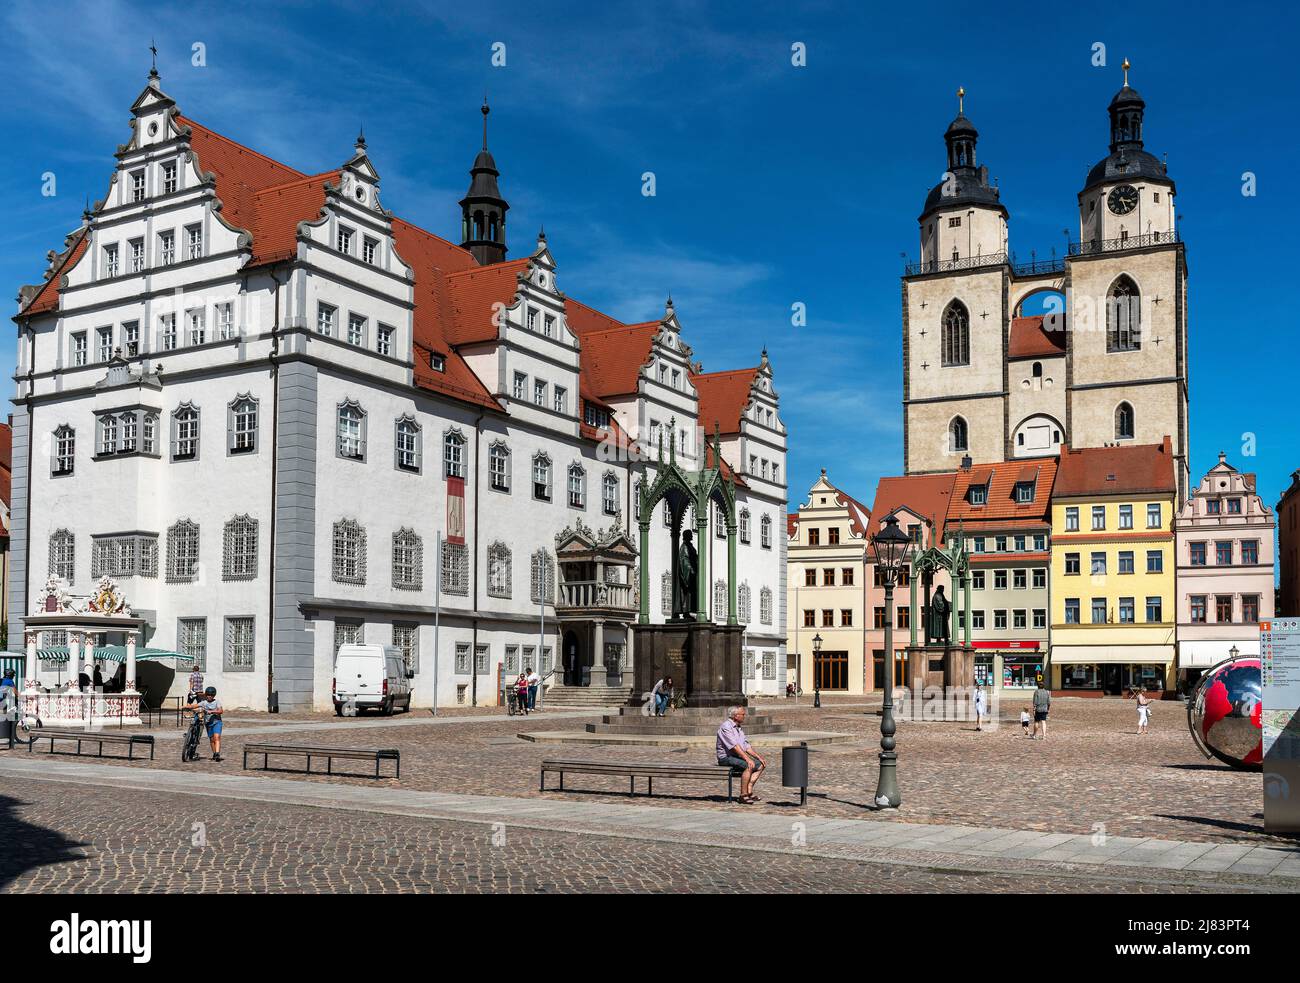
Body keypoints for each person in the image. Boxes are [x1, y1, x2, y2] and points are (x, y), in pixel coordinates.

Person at [716, 706, 765, 804]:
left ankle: (749, 790)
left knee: (760, 765)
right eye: (742, 714)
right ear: (735, 716)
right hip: (725, 758)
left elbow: (746, 746)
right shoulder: (726, 727)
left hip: (735, 756)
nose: (744, 716)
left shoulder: (738, 728)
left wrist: (758, 757)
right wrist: (747, 759)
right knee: (748, 765)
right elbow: (734, 747)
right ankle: (743, 795)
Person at [183, 685, 224, 762]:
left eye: (211, 695)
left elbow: (221, 711)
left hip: (217, 722)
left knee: (217, 737)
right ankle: (214, 753)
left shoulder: (217, 702)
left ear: (214, 695)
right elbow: (195, 705)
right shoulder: (204, 702)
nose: (209, 696)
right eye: (208, 695)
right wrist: (186, 707)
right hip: (208, 723)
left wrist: (212, 711)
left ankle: (217, 753)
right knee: (211, 739)